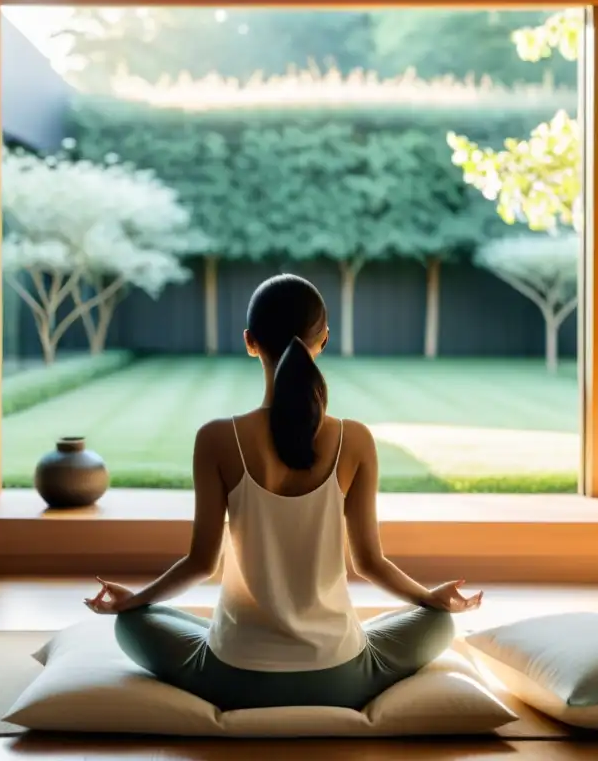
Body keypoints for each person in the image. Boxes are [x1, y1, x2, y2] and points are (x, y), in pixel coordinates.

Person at [83, 273, 483, 711]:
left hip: (233, 677)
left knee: (134, 624)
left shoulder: (216, 439)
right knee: (439, 623)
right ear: (324, 339)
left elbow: (201, 563)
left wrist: (135, 600)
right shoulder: (356, 440)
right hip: (341, 676)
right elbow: (369, 563)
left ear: (250, 341)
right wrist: (429, 597)